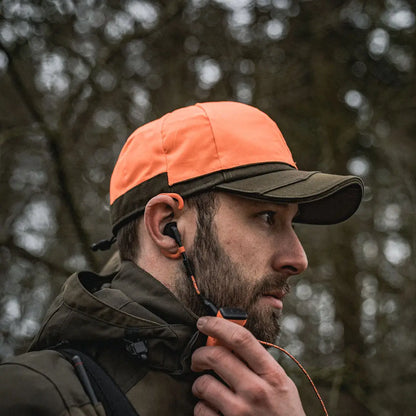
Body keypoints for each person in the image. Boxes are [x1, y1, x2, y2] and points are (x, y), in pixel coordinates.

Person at [0, 101, 363, 415]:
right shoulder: (34, 397)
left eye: (292, 222)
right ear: (165, 226)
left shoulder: (261, 401)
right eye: (267, 217)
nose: (299, 258)